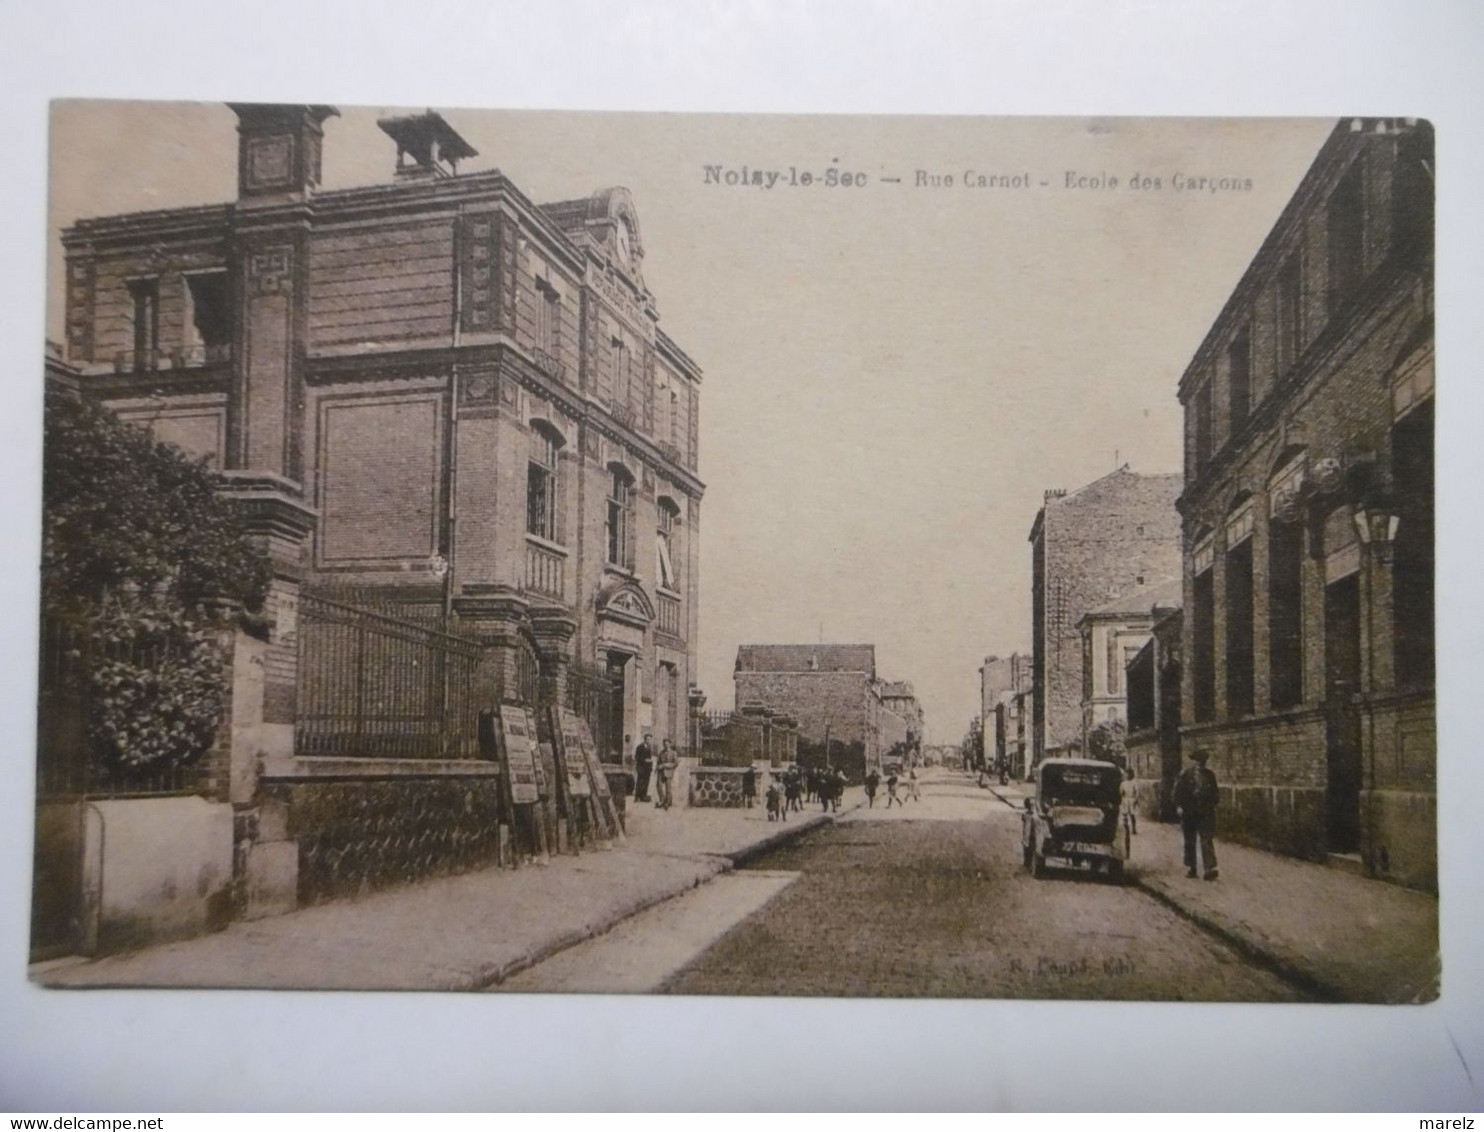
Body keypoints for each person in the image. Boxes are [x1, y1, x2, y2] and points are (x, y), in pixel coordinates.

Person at [1173, 749, 1219, 880]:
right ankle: (1191, 868)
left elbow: (1215, 794)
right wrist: (1179, 806)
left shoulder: (1210, 775)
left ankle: (1209, 869)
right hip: (1189, 812)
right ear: (1194, 761)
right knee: (1190, 841)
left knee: (1206, 840)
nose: (1200, 763)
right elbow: (1177, 792)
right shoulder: (1186, 774)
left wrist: (1211, 805)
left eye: (1202, 761)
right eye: (1198, 760)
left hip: (1205, 813)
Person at [655, 739, 678, 811]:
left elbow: (675, 764)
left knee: (668, 788)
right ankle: (662, 800)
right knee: (658, 786)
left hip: (668, 772)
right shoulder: (661, 752)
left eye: (667, 744)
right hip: (660, 772)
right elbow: (658, 761)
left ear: (670, 744)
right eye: (664, 744)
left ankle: (668, 802)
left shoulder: (673, 753)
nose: (665, 745)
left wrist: (665, 765)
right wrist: (657, 767)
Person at [634, 733, 655, 802]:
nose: (649, 741)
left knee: (646, 782)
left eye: (650, 740)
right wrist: (644, 760)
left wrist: (651, 767)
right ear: (645, 739)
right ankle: (637, 796)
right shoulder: (640, 747)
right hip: (641, 767)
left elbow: (650, 758)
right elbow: (636, 757)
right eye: (648, 739)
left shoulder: (649, 747)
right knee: (640, 782)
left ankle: (643, 796)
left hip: (648, 768)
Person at [1121, 765, 1140, 835]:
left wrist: (1135, 799)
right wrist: (1122, 797)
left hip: (1132, 799)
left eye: (1127, 773)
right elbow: (1121, 792)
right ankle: (1126, 828)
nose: (1126, 775)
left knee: (1132, 815)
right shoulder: (1123, 783)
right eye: (1125, 774)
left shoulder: (1134, 782)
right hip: (1125, 799)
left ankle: (1133, 828)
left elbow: (1137, 792)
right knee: (1125, 814)